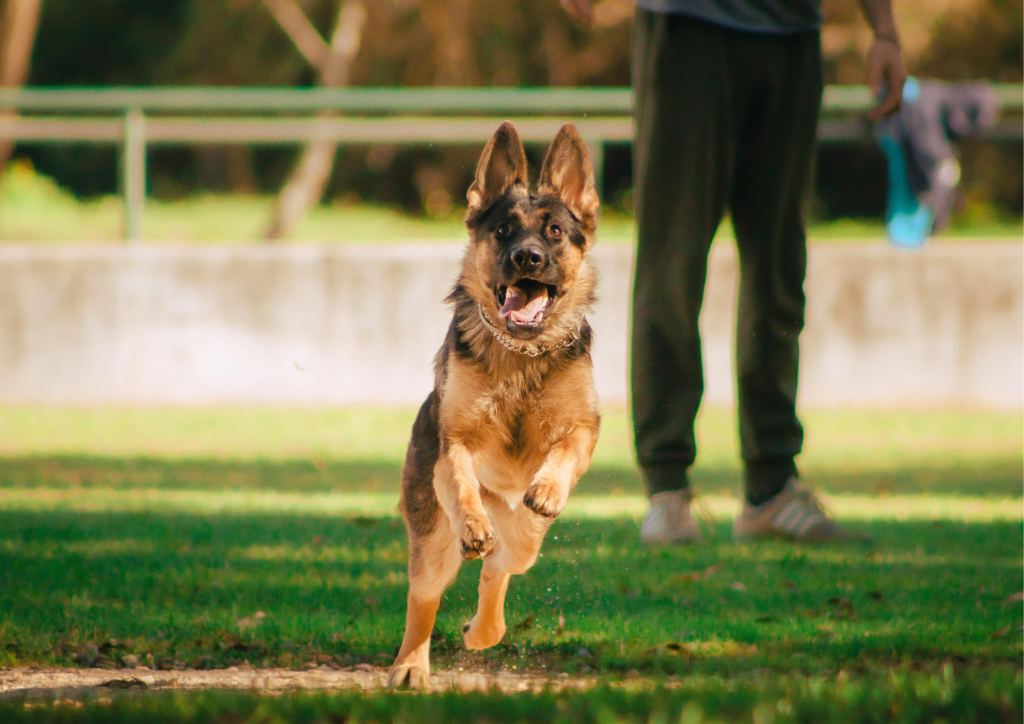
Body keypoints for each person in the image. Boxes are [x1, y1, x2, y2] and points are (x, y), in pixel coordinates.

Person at [560, 0, 906, 543]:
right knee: (672, 262)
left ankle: (772, 486)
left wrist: (884, 28)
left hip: (792, 35)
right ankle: (667, 486)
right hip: (689, 27)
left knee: (779, 268)